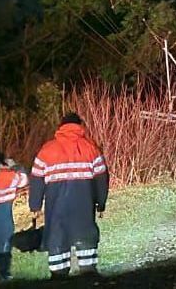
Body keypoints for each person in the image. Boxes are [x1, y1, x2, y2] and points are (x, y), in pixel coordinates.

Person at [30, 112, 109, 277]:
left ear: (61, 127)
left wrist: (35, 205)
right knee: (85, 233)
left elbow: (37, 178)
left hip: (56, 206)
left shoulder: (47, 150)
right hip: (84, 205)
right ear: (80, 126)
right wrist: (101, 203)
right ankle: (88, 271)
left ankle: (59, 272)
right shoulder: (90, 148)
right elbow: (101, 178)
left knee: (57, 235)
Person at [0, 149, 28, 282]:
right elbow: (24, 181)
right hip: (5, 216)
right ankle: (3, 274)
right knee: (4, 244)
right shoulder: (10, 175)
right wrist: (15, 167)